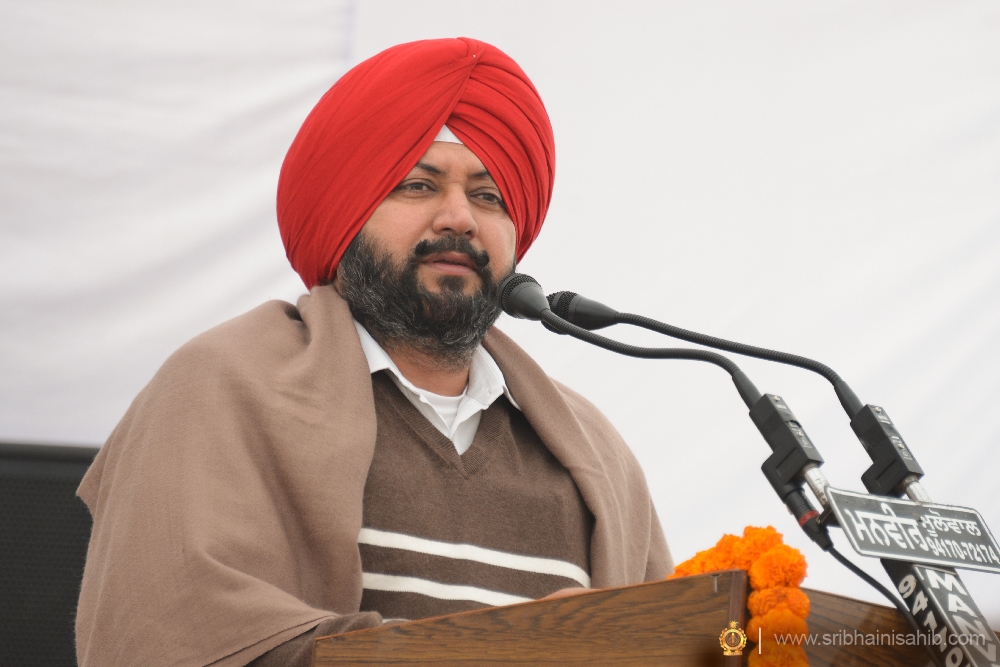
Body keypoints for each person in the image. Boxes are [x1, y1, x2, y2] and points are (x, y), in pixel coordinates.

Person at [75, 38, 672, 667]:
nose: (459, 218)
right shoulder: (223, 387)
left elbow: (684, 640)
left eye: (488, 196)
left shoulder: (594, 459)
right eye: (418, 186)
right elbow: (173, 638)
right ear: (347, 213)